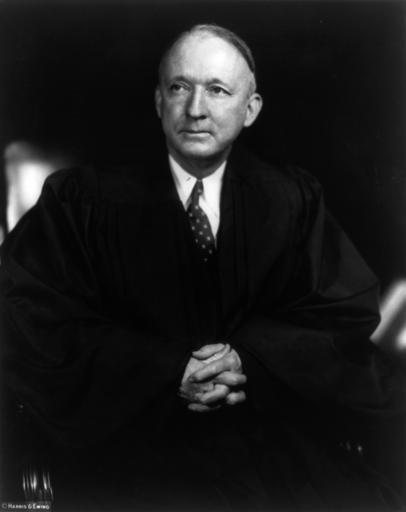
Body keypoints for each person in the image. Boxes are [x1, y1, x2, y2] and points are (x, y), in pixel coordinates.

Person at [0, 24, 404, 511]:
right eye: (179, 87)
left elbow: (339, 313)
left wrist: (249, 361)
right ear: (158, 101)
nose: (195, 109)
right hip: (132, 451)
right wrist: (167, 370)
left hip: (268, 447)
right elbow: (28, 318)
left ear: (250, 109)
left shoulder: (292, 198)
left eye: (217, 90)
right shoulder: (82, 199)